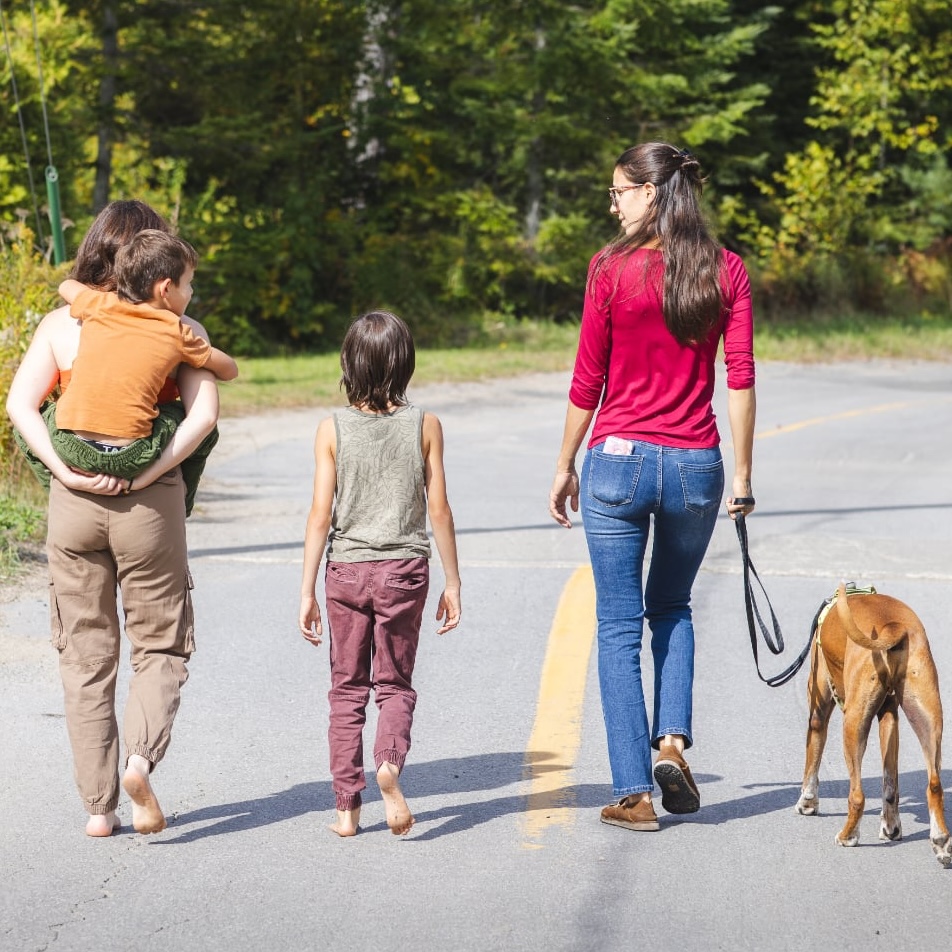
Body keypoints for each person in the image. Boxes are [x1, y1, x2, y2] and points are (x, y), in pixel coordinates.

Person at [548, 142, 757, 832]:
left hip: (618, 460)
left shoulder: (610, 269)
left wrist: (564, 462)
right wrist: (745, 477)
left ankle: (634, 794)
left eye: (619, 193)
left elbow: (588, 378)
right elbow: (741, 379)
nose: (612, 206)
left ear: (652, 192)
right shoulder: (726, 271)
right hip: (696, 464)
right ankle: (671, 742)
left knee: (616, 625)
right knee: (672, 606)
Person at [5, 200, 224, 837]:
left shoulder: (61, 323)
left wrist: (65, 472)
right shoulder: (178, 327)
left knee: (84, 656)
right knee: (158, 644)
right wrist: (150, 473)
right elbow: (204, 418)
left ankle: (98, 809)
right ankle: (137, 762)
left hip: (72, 507)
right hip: (147, 508)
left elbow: (21, 405)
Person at [298, 309, 462, 837]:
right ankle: (388, 765)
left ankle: (346, 809)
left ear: (348, 364)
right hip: (404, 571)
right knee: (394, 683)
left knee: (346, 690)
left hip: (346, 571)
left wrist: (306, 590)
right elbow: (438, 508)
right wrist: (453, 582)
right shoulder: (426, 425)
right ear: (405, 363)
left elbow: (321, 514)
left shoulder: (331, 428)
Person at [15, 228, 237, 516]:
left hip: (74, 449)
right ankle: (183, 505)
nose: (192, 292)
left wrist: (94, 295)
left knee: (34, 423)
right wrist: (205, 353)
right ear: (166, 288)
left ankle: (60, 490)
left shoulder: (97, 306)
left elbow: (66, 286)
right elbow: (229, 370)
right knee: (181, 416)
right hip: (133, 457)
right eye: (189, 284)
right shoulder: (177, 330)